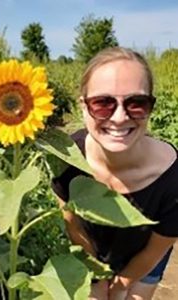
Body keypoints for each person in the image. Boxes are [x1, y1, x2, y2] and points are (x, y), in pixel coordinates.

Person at [51, 47, 178, 300]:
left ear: (150, 107)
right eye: (103, 103)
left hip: (145, 262)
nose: (119, 117)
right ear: (84, 107)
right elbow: (73, 226)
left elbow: (153, 252)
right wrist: (98, 277)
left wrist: (120, 287)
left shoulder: (173, 178)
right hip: (93, 254)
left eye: (136, 103)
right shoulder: (66, 158)